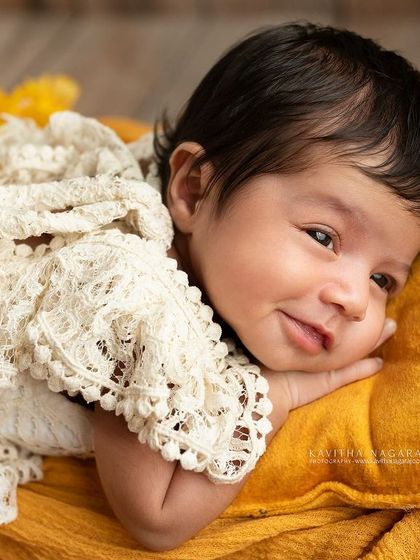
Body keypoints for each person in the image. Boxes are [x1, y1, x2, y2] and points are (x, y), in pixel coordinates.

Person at [0, 22, 419, 552]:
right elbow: (156, 518)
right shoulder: (132, 307)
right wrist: (277, 397)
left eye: (383, 278)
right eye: (322, 236)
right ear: (194, 190)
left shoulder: (216, 261)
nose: (356, 300)